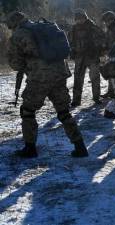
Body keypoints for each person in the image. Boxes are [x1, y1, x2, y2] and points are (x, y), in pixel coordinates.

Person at [6, 11, 88, 158]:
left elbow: (15, 63)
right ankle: (80, 146)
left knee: (28, 111)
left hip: (40, 77)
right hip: (60, 74)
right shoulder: (43, 27)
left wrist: (27, 65)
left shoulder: (18, 35)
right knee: (63, 111)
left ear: (13, 24)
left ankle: (30, 148)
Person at [69, 9, 106, 107]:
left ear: (85, 18)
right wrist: (72, 51)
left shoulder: (93, 27)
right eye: (77, 19)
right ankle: (76, 100)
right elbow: (71, 41)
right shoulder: (74, 29)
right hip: (79, 57)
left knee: (95, 78)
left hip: (92, 56)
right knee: (77, 79)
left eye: (81, 18)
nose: (79, 21)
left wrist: (98, 48)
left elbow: (103, 38)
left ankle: (96, 98)